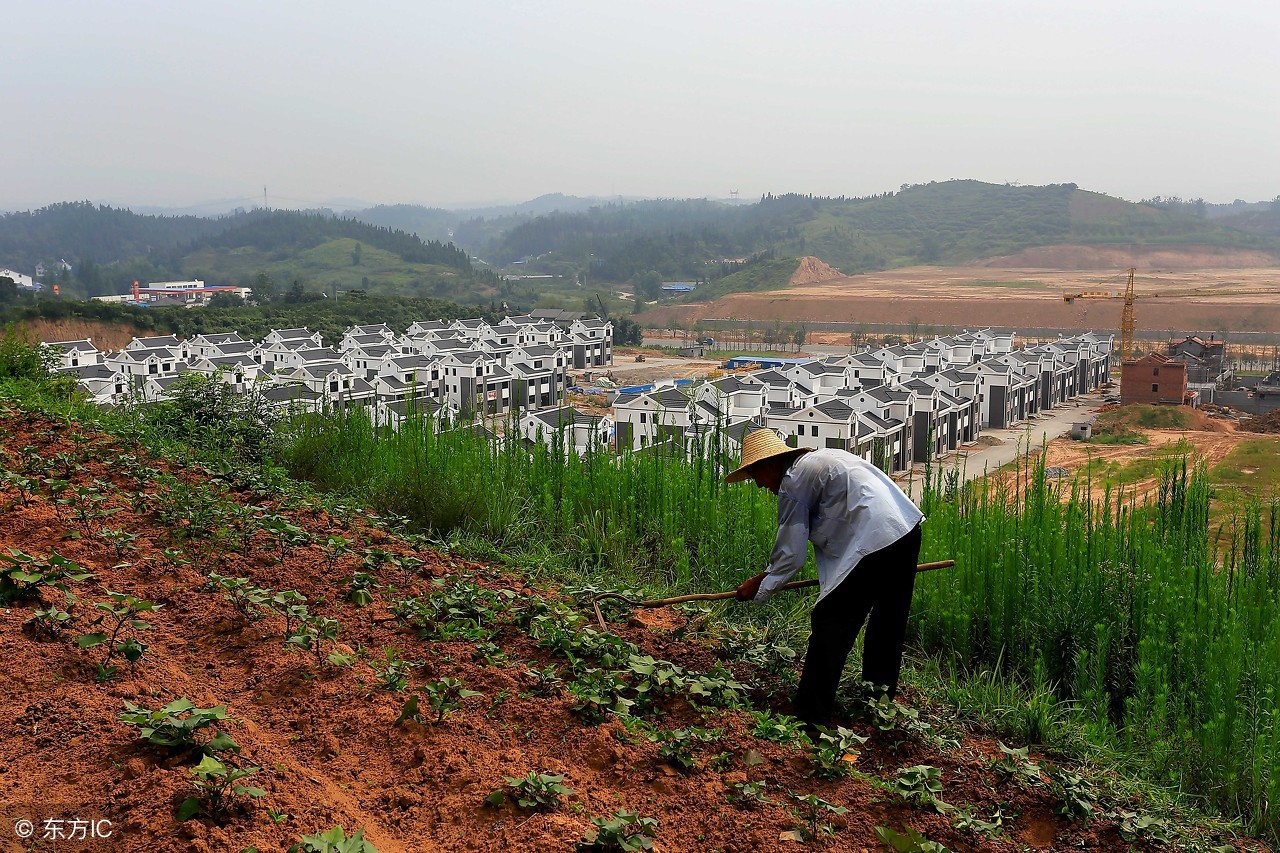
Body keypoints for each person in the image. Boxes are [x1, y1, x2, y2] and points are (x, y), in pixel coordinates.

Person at [725, 428, 924, 729]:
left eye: (756, 477)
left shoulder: (793, 481)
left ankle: (810, 718)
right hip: (904, 530)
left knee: (830, 622)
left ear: (767, 465)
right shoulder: (823, 459)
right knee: (888, 625)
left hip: (873, 541)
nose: (759, 486)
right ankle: (878, 706)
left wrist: (762, 585)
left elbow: (791, 553)